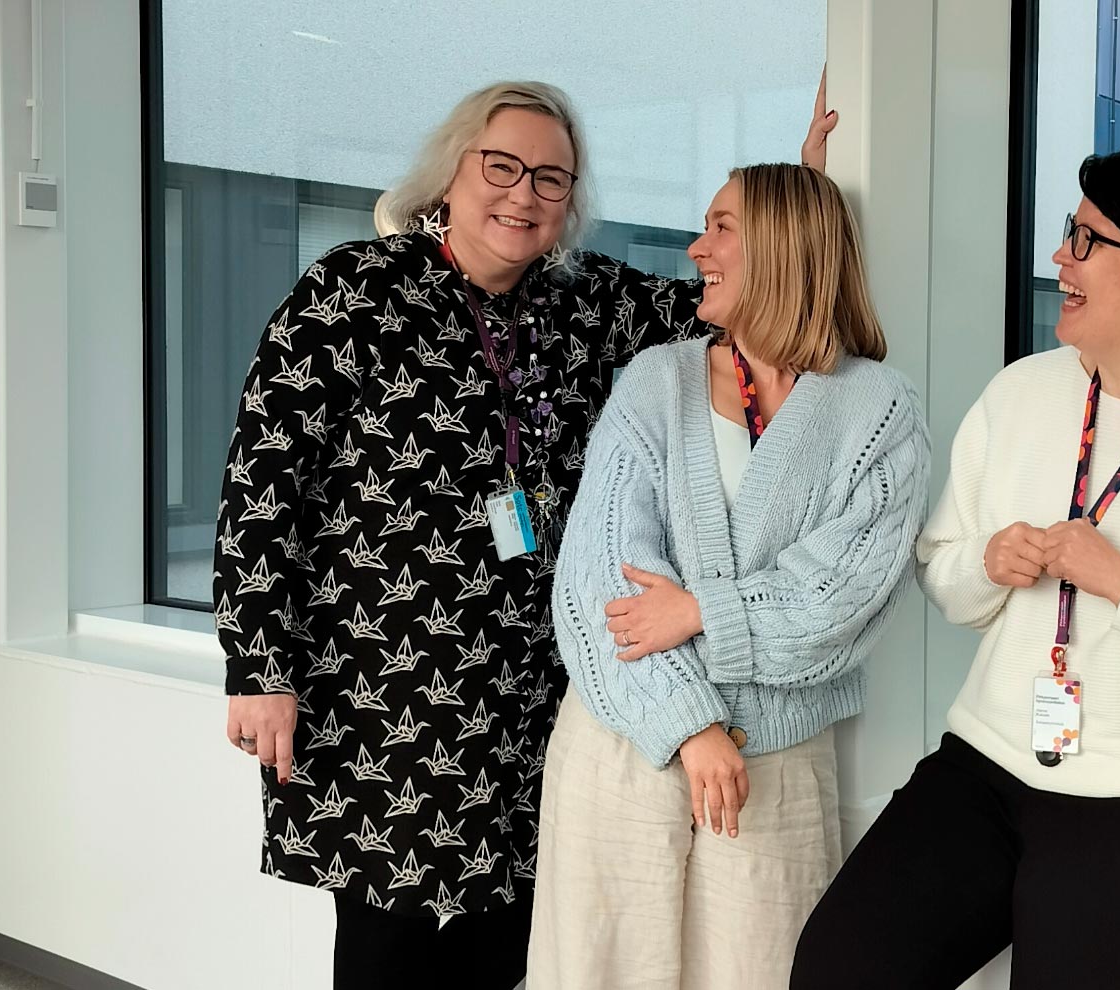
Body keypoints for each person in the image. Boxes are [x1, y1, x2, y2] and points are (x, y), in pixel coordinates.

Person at [215, 81, 835, 990]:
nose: (523, 195)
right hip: (385, 687)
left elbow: (733, 296)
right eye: (501, 167)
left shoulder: (589, 300)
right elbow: (263, 482)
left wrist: (805, 189)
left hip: (531, 689)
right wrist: (260, 667)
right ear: (451, 171)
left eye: (551, 178)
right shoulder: (352, 291)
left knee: (511, 937)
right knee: (391, 942)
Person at [791, 144, 1120, 989]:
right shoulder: (1023, 392)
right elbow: (944, 572)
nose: (1060, 258)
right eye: (1068, 232)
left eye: (1087, 241)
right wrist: (989, 564)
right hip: (989, 764)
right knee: (836, 971)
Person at [526, 163, 930, 990]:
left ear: (781, 247)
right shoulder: (657, 381)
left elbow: (843, 600)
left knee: (762, 974)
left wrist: (698, 610)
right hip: (623, 740)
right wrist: (690, 724)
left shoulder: (880, 411)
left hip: (776, 770)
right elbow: (603, 580)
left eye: (721, 227)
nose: (696, 248)